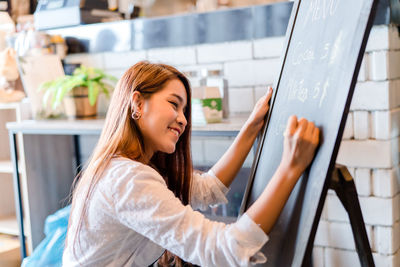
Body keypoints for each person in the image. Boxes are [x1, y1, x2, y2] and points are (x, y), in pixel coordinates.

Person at [63, 61, 319, 267]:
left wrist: (251, 128)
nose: (183, 120)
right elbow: (226, 249)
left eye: (185, 111)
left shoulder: (126, 167)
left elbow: (208, 188)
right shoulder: (127, 178)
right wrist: (290, 168)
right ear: (138, 103)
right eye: (174, 104)